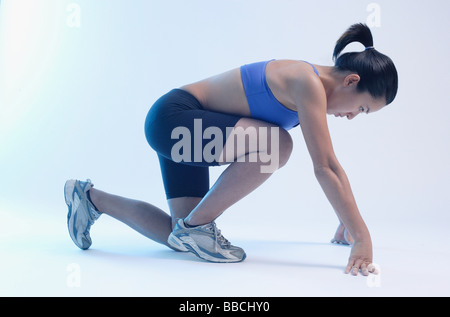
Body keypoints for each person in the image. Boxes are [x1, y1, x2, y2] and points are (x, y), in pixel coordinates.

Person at [64, 23, 398, 276]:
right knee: (277, 145)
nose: (353, 117)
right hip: (175, 119)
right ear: (351, 81)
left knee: (177, 235)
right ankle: (198, 228)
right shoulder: (306, 81)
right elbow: (325, 166)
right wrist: (361, 236)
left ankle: (90, 198)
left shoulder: (310, 90)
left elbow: (327, 164)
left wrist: (345, 219)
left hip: (187, 129)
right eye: (362, 108)